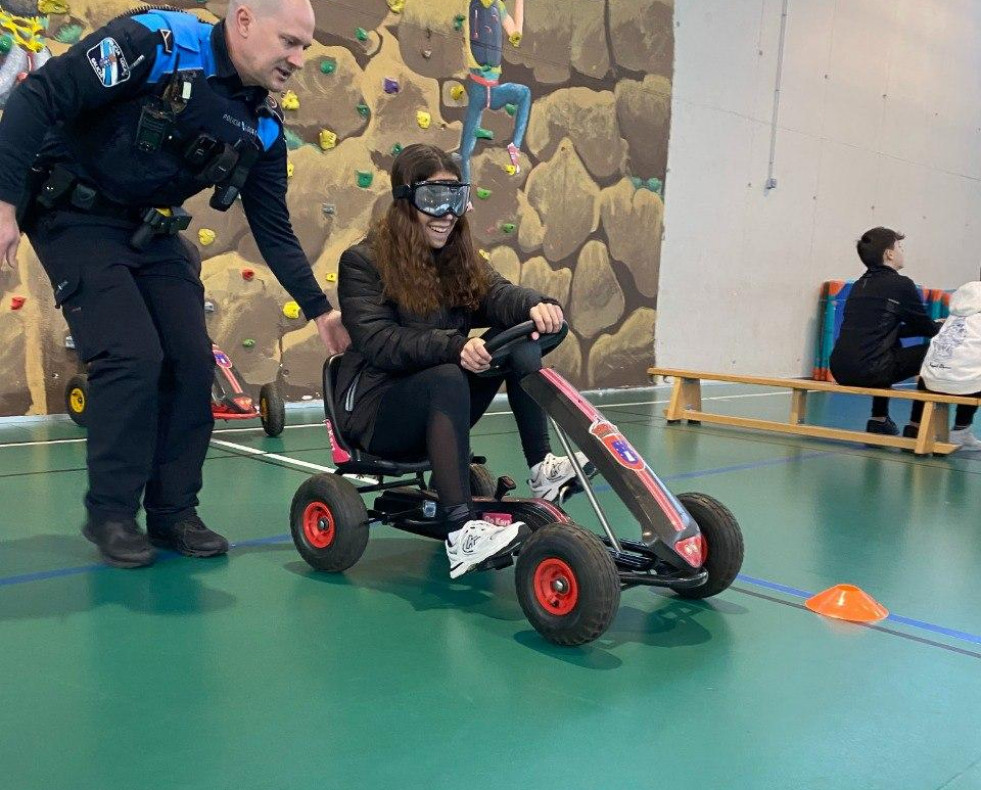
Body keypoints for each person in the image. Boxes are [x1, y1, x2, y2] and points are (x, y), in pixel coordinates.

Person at [0, 0, 349, 568]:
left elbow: (274, 229)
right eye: (289, 41)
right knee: (131, 355)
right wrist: (5, 201)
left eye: (305, 47)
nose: (299, 59)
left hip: (150, 226)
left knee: (190, 361)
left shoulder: (261, 125)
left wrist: (320, 311)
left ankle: (172, 512)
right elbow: (40, 96)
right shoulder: (154, 43)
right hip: (74, 213)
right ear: (242, 21)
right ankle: (112, 515)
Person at [335, 143, 587, 579]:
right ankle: (460, 533)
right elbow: (379, 342)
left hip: (438, 401)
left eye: (455, 199)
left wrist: (535, 305)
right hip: (378, 413)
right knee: (449, 375)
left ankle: (543, 467)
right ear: (405, 201)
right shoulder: (363, 261)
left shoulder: (457, 256)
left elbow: (497, 294)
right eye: (433, 198)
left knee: (523, 341)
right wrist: (452, 346)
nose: (446, 213)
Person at [829, 227, 939, 436]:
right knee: (932, 352)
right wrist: (944, 327)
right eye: (899, 247)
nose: (901, 251)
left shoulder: (859, 285)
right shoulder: (901, 285)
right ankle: (917, 426)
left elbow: (885, 330)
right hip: (870, 371)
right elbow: (926, 328)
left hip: (840, 368)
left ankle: (878, 419)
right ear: (889, 253)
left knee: (888, 345)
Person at [458, 0, 530, 184]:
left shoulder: (499, 7)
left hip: (494, 88)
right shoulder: (469, 5)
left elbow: (515, 34)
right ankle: (465, 199)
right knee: (464, 152)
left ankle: (515, 145)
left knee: (524, 93)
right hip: (478, 89)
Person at [906, 280, 981, 449]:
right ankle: (961, 429)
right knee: (971, 367)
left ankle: (915, 424)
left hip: (930, 382)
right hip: (964, 383)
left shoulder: (956, 312)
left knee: (962, 361)